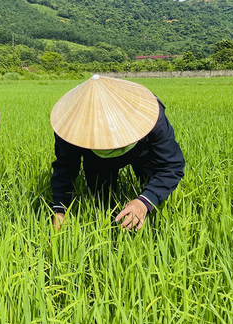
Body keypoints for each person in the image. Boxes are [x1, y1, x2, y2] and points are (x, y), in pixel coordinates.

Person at [50, 75, 185, 231]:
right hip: (96, 159)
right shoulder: (70, 126)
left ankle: (150, 224)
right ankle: (111, 232)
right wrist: (60, 210)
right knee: (102, 202)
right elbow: (65, 169)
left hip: (142, 149)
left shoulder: (151, 118)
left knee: (151, 187)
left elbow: (171, 165)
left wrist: (146, 201)